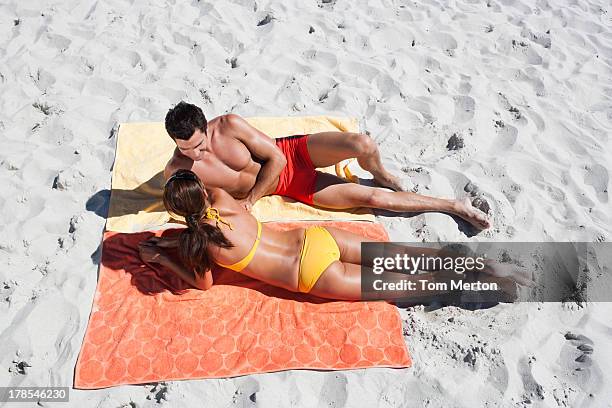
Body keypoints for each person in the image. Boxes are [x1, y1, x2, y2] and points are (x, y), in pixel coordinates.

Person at [139, 170, 531, 301]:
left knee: (415, 285)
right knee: (412, 256)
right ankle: (487, 263)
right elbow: (217, 224)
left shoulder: (197, 245)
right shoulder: (224, 198)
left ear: (178, 215)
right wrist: (176, 239)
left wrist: (165, 256)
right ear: (202, 192)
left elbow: (203, 284)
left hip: (310, 275)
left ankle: (493, 282)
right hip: (318, 240)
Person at [163, 102, 491, 230]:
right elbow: (197, 211)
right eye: (186, 149)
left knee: (362, 144)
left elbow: (276, 158)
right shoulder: (178, 171)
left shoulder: (230, 125)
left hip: (291, 155)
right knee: (371, 200)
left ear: (206, 127)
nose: (196, 154)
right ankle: (452, 206)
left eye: (199, 144)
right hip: (292, 187)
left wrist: (249, 201)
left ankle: (382, 174)